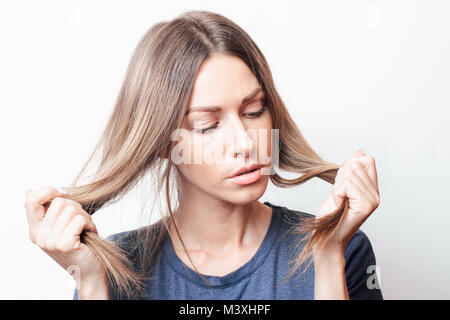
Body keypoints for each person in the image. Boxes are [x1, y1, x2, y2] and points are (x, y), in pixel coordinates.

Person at [24, 10, 382, 300]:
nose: (245, 143)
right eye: (207, 125)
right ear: (163, 141)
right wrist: (88, 280)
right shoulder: (115, 269)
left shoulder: (340, 248)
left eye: (254, 111)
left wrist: (328, 257)